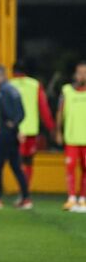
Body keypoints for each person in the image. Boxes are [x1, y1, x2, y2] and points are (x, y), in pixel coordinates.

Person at [0, 66, 30, 209]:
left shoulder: (3, 91)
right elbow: (22, 112)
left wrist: (10, 124)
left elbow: (9, 113)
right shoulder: (13, 89)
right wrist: (16, 126)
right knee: (15, 166)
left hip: (6, 134)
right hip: (13, 134)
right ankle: (26, 198)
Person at [10, 61, 55, 189]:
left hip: (14, 130)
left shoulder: (9, 85)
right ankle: (25, 191)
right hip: (30, 130)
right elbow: (43, 108)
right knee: (28, 161)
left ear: (13, 72)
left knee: (15, 162)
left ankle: (20, 190)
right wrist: (51, 127)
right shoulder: (35, 85)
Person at [55, 61, 86, 211]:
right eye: (79, 72)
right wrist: (58, 131)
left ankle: (83, 199)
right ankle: (71, 198)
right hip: (72, 138)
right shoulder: (66, 90)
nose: (82, 75)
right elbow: (60, 112)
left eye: (84, 72)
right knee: (70, 168)